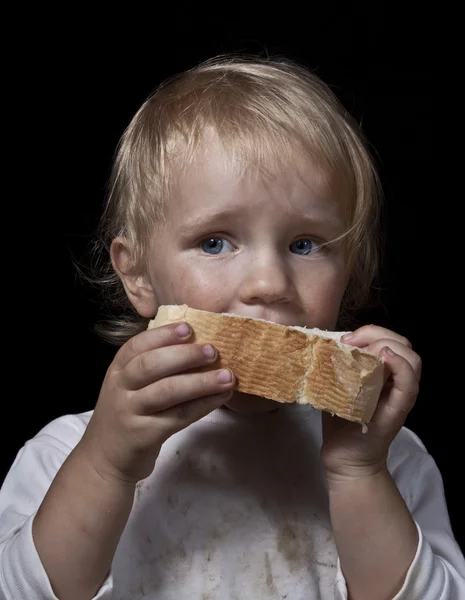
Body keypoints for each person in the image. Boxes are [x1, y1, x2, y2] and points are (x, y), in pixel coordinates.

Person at [0, 54, 463, 600]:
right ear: (138, 274)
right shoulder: (66, 454)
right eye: (215, 242)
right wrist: (106, 466)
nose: (269, 282)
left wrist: (357, 473)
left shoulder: (389, 456)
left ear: (350, 274)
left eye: (305, 245)